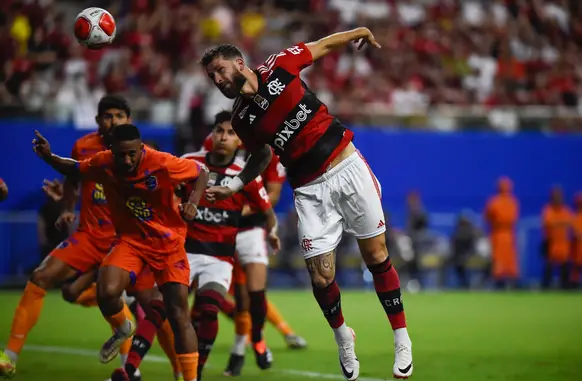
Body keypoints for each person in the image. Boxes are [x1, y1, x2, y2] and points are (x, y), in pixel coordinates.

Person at [201, 27, 413, 380]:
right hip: (310, 190)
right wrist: (237, 183)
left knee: (376, 255)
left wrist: (360, 31)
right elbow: (261, 154)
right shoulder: (241, 119)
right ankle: (344, 337)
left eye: (220, 70)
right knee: (320, 277)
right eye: (212, 77)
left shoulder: (280, 66)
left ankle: (402, 338)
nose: (218, 79)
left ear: (239, 63)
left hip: (346, 166)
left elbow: (325, 44)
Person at [30, 123, 209, 381]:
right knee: (107, 291)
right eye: (121, 154)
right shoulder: (103, 162)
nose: (127, 160)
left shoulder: (161, 162)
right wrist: (48, 156)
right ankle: (124, 327)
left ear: (141, 148)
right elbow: (74, 169)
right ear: (111, 150)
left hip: (168, 244)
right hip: (131, 241)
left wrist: (193, 203)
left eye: (132, 154)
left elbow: (201, 172)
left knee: (178, 312)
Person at [111, 112, 280, 381]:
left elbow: (267, 209)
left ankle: (196, 373)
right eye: (219, 131)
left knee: (210, 310)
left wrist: (271, 232)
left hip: (219, 260)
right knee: (158, 308)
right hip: (183, 253)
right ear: (211, 135)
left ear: (239, 141)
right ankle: (127, 371)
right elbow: (160, 187)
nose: (224, 138)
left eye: (231, 133)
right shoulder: (190, 163)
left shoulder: (244, 175)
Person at [0, 96, 140, 380]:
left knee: (125, 299)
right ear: (98, 120)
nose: (112, 121)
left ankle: (133, 370)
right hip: (88, 236)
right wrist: (66, 208)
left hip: (123, 242)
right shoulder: (84, 146)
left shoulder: (141, 152)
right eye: (107, 116)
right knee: (41, 276)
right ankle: (9, 358)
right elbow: (73, 179)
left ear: (129, 119)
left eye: (119, 116)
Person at [484, 177, 519, 289]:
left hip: (498, 234)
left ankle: (500, 282)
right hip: (507, 234)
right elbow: (513, 218)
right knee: (507, 259)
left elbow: (488, 217)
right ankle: (510, 282)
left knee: (499, 259)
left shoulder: (494, 202)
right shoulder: (512, 202)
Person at [541, 186, 572, 289]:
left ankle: (565, 285)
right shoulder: (548, 210)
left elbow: (569, 222)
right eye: (555, 197)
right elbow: (548, 222)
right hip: (551, 242)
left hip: (563, 242)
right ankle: (546, 286)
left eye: (559, 196)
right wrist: (560, 223)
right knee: (549, 264)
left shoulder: (565, 210)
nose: (557, 199)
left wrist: (557, 223)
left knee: (564, 264)